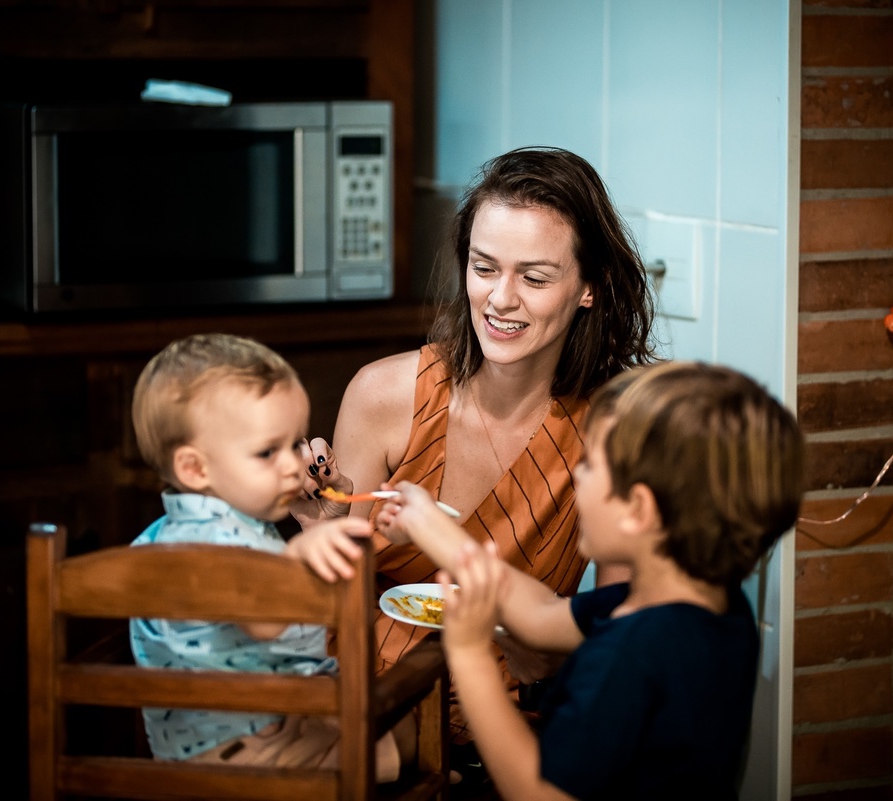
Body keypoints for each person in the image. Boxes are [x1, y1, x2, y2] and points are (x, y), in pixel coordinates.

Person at [326, 147, 658, 736]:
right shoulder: (380, 395)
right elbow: (335, 589)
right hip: (362, 705)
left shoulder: (615, 429)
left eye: (534, 277)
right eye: (484, 268)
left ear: (589, 288)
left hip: (511, 720)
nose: (501, 299)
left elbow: (615, 635)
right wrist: (317, 518)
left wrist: (547, 660)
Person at [383, 361, 806, 800]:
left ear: (638, 510)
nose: (577, 476)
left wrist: (470, 655)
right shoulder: (708, 609)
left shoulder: (626, 655)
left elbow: (538, 793)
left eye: (590, 466)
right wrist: (432, 527)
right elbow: (539, 615)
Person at [126, 333, 406, 780]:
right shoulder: (210, 543)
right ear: (195, 468)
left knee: (384, 730)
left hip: (243, 733)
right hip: (244, 752)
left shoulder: (178, 531)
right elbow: (265, 620)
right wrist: (298, 558)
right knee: (401, 736)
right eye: (267, 452)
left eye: (294, 443)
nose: (295, 465)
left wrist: (321, 528)